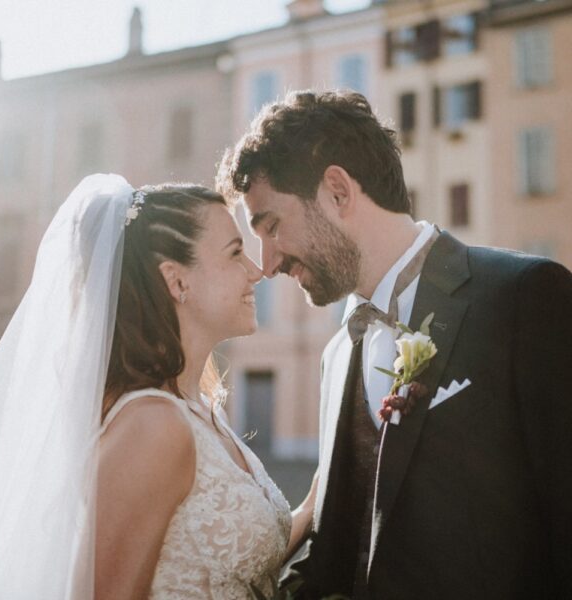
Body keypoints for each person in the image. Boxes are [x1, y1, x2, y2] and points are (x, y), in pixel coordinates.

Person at [217, 90, 572, 599]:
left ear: (337, 191)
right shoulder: (336, 355)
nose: (268, 263)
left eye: (271, 226)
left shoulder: (522, 296)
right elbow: (340, 546)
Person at [0, 174, 316, 600]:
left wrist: (322, 492)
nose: (255, 271)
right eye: (235, 253)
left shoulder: (198, 409)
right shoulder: (152, 427)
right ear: (176, 281)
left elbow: (235, 558)